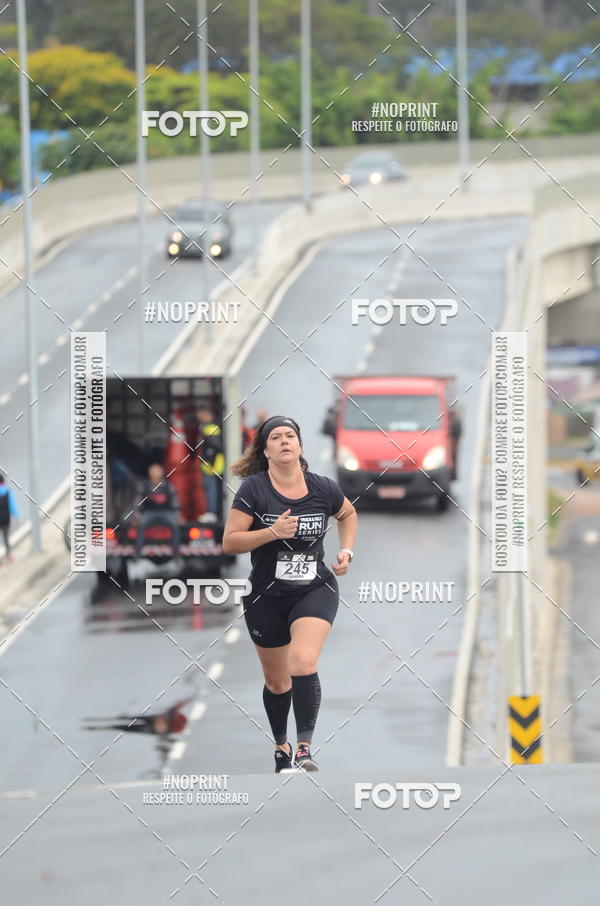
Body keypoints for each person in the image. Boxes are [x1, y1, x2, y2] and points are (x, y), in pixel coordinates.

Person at [223, 415, 357, 773]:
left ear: (299, 445)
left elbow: (348, 513)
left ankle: (304, 749)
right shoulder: (253, 490)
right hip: (266, 595)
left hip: (314, 588)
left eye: (291, 436)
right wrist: (272, 532)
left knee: (303, 662)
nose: (285, 441)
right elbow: (231, 542)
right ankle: (281, 745)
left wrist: (346, 551)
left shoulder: (323, 488)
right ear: (265, 450)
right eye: (277, 437)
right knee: (277, 680)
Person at [135, 463, 181, 559]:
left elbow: (175, 502)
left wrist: (177, 517)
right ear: (149, 473)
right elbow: (137, 502)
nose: (155, 473)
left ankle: (176, 552)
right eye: (153, 471)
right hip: (149, 512)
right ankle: (138, 552)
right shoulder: (144, 486)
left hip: (165, 512)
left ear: (162, 473)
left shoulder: (168, 486)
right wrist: (137, 517)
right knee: (141, 524)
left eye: (158, 471)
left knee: (175, 525)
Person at [196, 406, 225, 518]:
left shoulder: (210, 427)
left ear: (205, 413)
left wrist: (209, 461)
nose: (198, 417)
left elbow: (214, 446)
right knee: (215, 489)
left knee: (211, 489)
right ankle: (214, 513)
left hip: (212, 466)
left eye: (199, 414)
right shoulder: (216, 425)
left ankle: (211, 513)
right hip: (215, 464)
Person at [0, 473, 19, 563]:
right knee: (6, 537)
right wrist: (16, 517)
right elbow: (12, 506)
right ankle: (8, 556)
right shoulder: (7, 491)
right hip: (5, 519)